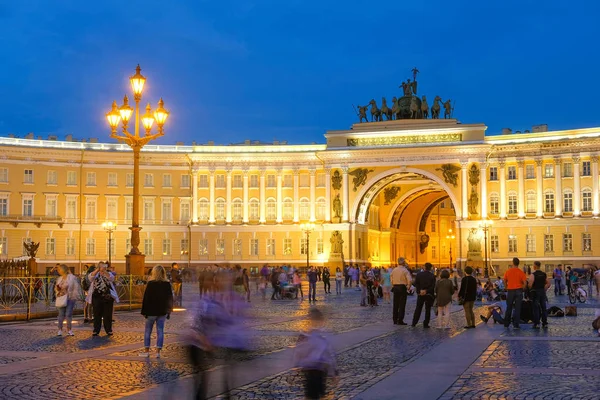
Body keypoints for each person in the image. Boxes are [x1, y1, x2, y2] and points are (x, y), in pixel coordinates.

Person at [293, 308, 338, 400]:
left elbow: (298, 351)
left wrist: (296, 364)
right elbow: (330, 354)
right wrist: (334, 373)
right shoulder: (321, 335)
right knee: (316, 393)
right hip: (317, 368)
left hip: (312, 369)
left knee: (312, 394)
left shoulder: (306, 335)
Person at [140, 265, 173, 358]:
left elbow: (146, 299)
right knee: (160, 331)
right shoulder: (167, 284)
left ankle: (146, 352)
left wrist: (144, 312)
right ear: (163, 273)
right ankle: (158, 352)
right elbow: (170, 298)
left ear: (153, 273)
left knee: (147, 331)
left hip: (150, 311)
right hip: (162, 311)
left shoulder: (150, 284)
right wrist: (169, 310)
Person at [86, 262, 118, 336]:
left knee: (107, 314)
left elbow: (111, 278)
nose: (102, 267)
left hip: (107, 297)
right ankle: (96, 330)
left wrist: (105, 271)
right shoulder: (95, 273)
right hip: (96, 296)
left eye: (104, 266)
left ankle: (108, 330)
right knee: (97, 314)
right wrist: (97, 270)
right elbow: (90, 278)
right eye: (101, 266)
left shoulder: (108, 273)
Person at [55, 264, 82, 336]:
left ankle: (69, 329)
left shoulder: (72, 277)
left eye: (59, 269)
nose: (58, 271)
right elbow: (56, 289)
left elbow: (75, 287)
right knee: (61, 314)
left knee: (68, 314)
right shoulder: (59, 278)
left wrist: (74, 296)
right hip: (61, 297)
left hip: (70, 298)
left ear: (63, 270)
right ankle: (60, 329)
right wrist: (58, 290)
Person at [503, 257, 527, 329]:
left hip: (510, 290)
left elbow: (504, 280)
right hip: (519, 290)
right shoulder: (521, 272)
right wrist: (523, 289)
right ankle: (516, 324)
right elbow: (525, 283)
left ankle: (506, 323)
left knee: (509, 307)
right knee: (517, 308)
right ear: (518, 263)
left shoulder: (508, 271)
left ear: (512, 263)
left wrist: (506, 287)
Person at [412, 262, 436, 328]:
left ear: (424, 267)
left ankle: (414, 322)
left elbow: (416, 284)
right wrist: (426, 291)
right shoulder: (432, 276)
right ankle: (426, 323)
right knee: (428, 309)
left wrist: (419, 291)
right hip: (429, 294)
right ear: (430, 268)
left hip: (420, 293)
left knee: (418, 308)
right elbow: (433, 286)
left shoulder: (419, 275)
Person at [528, 261, 550, 329]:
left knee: (536, 308)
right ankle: (545, 323)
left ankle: (537, 323)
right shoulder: (544, 274)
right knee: (543, 308)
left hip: (535, 292)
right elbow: (548, 283)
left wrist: (529, 289)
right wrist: (544, 289)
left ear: (535, 266)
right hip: (542, 292)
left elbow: (530, 284)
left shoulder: (533, 275)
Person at [391, 257, 412, 325]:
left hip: (395, 287)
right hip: (402, 287)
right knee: (402, 304)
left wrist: (393, 285)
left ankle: (394, 319)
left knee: (395, 304)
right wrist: (408, 286)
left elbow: (391, 278)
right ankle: (400, 319)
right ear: (403, 263)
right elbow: (409, 280)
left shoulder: (394, 270)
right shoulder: (405, 270)